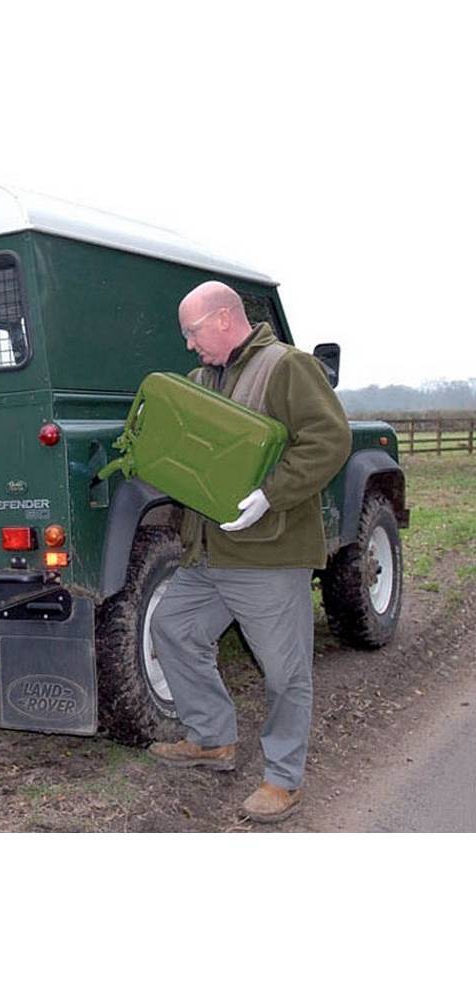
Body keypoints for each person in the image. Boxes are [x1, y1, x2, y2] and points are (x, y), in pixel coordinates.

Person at [147, 280, 352, 823]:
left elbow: (330, 438)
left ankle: (284, 779)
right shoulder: (198, 380)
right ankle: (211, 737)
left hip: (268, 554)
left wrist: (271, 494)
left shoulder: (286, 367)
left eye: (192, 332)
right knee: (172, 628)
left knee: (284, 672)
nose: (189, 345)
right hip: (209, 553)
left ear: (221, 319)